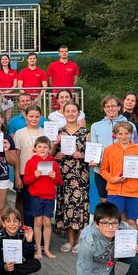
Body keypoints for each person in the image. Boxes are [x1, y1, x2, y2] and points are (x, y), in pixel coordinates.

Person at [53, 102, 90, 253]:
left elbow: (93, 155)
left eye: (73, 111)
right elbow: (51, 153)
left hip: (81, 174)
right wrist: (57, 154)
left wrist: (81, 155)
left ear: (78, 113)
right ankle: (70, 241)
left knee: (80, 205)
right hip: (64, 175)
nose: (70, 113)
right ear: (63, 113)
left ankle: (80, 240)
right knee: (66, 204)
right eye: (67, 111)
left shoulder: (86, 133)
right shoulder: (59, 133)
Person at [100, 121, 138, 228]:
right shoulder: (109, 150)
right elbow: (103, 170)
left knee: (132, 221)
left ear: (131, 134)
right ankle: (114, 244)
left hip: (133, 191)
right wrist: (113, 179)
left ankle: (132, 244)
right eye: (120, 134)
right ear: (115, 135)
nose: (124, 136)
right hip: (114, 191)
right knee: (114, 221)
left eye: (127, 133)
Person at [90, 95, 137, 202]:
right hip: (102, 170)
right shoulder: (95, 126)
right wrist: (93, 160)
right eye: (107, 106)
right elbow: (94, 147)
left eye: (113, 106)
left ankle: (122, 220)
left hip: (122, 171)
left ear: (119, 107)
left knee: (122, 201)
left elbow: (135, 147)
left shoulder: (130, 125)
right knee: (105, 201)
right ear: (103, 108)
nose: (110, 109)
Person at [23, 136, 62, 260]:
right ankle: (38, 250)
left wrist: (54, 176)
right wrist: (34, 175)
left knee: (47, 223)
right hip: (36, 197)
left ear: (49, 149)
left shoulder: (53, 163)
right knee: (38, 222)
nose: (42, 149)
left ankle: (47, 249)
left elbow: (59, 182)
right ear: (35, 149)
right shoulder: (31, 162)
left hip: (49, 197)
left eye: (45, 147)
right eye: (39, 146)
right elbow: (26, 180)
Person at [0, 207, 39, 275]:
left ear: (19, 223)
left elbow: (29, 256)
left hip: (17, 264)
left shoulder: (23, 234)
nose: (12, 224)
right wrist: (4, 266)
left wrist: (29, 241)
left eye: (15, 221)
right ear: (3, 223)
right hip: (3, 265)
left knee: (36, 263)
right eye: (8, 221)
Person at [13, 105, 46, 226]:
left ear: (41, 117)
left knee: (41, 205)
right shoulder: (19, 133)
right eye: (31, 116)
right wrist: (17, 176)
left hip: (43, 175)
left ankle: (40, 236)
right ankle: (29, 237)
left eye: (37, 116)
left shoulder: (45, 132)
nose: (34, 119)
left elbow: (50, 154)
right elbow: (17, 156)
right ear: (26, 117)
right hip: (25, 174)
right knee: (28, 206)